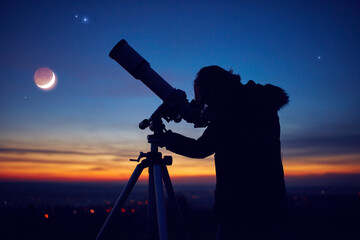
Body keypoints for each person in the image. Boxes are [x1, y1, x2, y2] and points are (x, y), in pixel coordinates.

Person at [160, 66, 289, 239]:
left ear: (214, 91)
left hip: (237, 204)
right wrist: (216, 114)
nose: (207, 104)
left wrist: (167, 139)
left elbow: (201, 148)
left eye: (207, 99)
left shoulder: (231, 112)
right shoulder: (260, 100)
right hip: (270, 198)